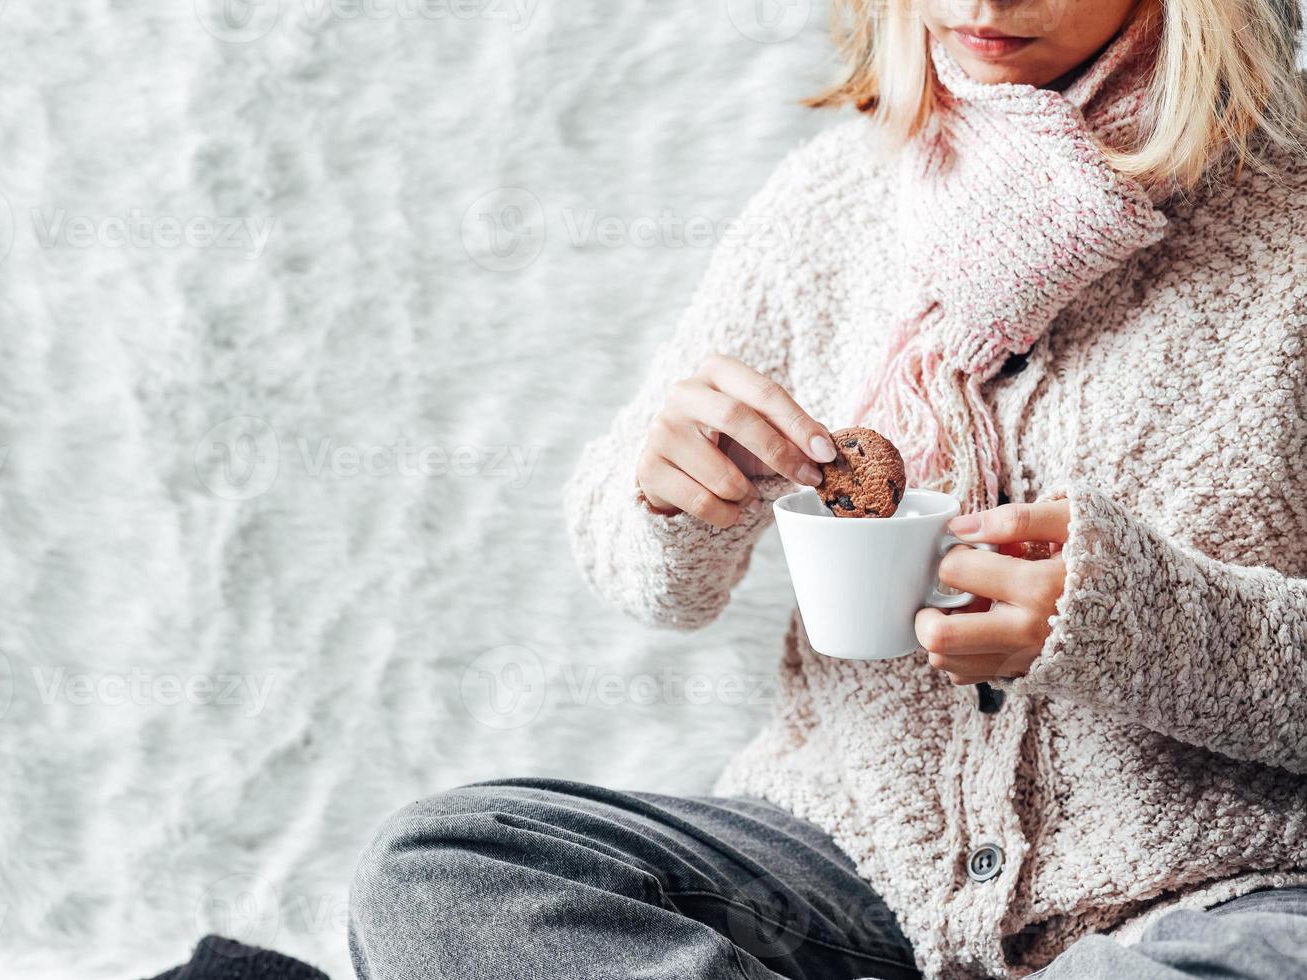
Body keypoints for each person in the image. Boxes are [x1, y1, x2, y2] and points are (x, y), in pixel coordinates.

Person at [349, 1, 1307, 976]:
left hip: (1212, 891)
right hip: (848, 865)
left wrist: (1145, 622)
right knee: (442, 870)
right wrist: (673, 494)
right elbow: (639, 564)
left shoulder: (1291, 212)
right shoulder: (832, 199)